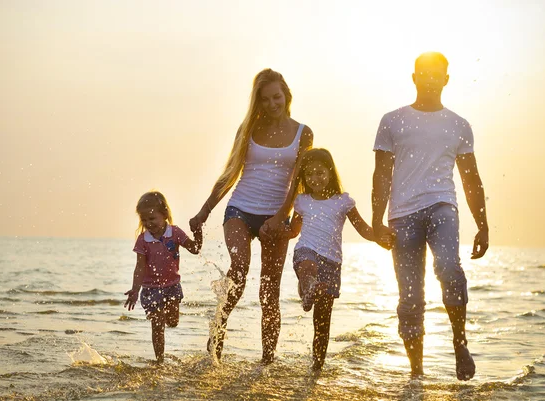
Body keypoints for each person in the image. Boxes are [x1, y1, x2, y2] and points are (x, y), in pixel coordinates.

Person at [371, 52, 489, 380]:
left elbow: (471, 178)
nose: (430, 79)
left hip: (442, 207)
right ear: (414, 77)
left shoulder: (458, 125)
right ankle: (417, 374)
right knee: (410, 297)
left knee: (449, 267)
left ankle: (459, 342)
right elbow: (381, 174)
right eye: (424, 73)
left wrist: (483, 225)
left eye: (437, 74)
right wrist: (376, 221)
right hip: (402, 215)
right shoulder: (392, 120)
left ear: (446, 79)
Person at [189, 68, 313, 364]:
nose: (272, 104)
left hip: (277, 215)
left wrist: (286, 218)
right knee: (240, 268)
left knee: (269, 292)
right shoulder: (248, 130)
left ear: (286, 94)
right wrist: (203, 212)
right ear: (258, 102)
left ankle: (267, 361)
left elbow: (299, 181)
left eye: (277, 97)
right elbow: (230, 174)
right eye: (266, 99)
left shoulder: (303, 132)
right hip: (240, 210)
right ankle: (217, 333)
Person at [285, 148, 393, 371]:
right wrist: (275, 230)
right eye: (310, 174)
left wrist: (381, 238)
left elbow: (364, 229)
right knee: (307, 267)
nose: (315, 178)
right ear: (304, 177)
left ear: (330, 172)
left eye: (320, 173)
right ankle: (308, 291)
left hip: (332, 263)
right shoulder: (302, 201)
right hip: (307, 249)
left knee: (322, 321)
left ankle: (317, 367)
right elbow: (294, 231)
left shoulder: (343, 202)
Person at [124, 191, 203, 364]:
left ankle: (163, 317)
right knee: (157, 326)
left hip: (172, 285)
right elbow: (140, 267)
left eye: (152, 219)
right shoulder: (142, 240)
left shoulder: (174, 233)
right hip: (151, 289)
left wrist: (198, 232)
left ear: (165, 214)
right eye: (144, 220)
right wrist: (135, 290)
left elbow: (195, 248)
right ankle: (159, 361)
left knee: (173, 322)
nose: (148, 224)